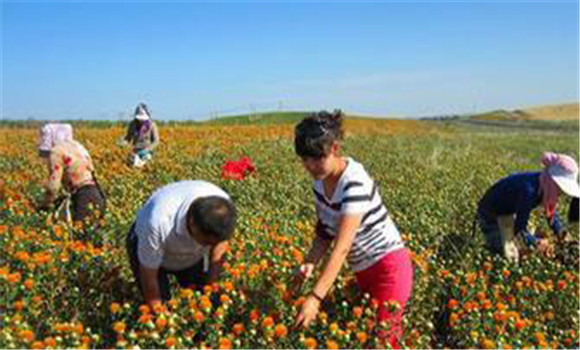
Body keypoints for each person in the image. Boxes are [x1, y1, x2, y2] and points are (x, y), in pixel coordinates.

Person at [290, 110, 413, 348]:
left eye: (318, 158)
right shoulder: (319, 183)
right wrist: (309, 263)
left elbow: (342, 247)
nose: (311, 166)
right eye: (305, 159)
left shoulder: (354, 182)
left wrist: (315, 298)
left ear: (334, 149)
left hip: (388, 268)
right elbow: (325, 233)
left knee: (384, 341)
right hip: (362, 271)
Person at [126, 180, 237, 306]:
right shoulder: (157, 223)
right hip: (150, 247)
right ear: (192, 224)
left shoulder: (223, 208)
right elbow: (149, 278)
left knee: (199, 300)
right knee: (161, 302)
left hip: (190, 255)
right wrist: (161, 318)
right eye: (206, 242)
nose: (209, 246)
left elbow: (220, 243)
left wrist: (211, 286)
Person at [477, 152, 580, 263]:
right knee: (512, 253)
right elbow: (520, 230)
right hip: (490, 216)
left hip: (508, 212)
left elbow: (550, 213)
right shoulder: (529, 191)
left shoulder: (544, 184)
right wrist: (537, 243)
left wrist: (561, 232)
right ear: (553, 181)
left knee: (531, 240)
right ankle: (487, 249)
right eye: (561, 188)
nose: (561, 193)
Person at [37, 123, 106, 227]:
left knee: (78, 237)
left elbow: (53, 187)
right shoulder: (79, 147)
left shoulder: (56, 151)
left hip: (82, 198)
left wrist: (44, 205)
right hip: (97, 194)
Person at [123, 103, 160, 167]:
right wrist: (123, 142)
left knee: (146, 165)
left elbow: (156, 141)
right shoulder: (132, 125)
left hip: (147, 152)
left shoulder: (152, 125)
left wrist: (147, 149)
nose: (140, 121)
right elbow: (128, 138)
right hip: (135, 151)